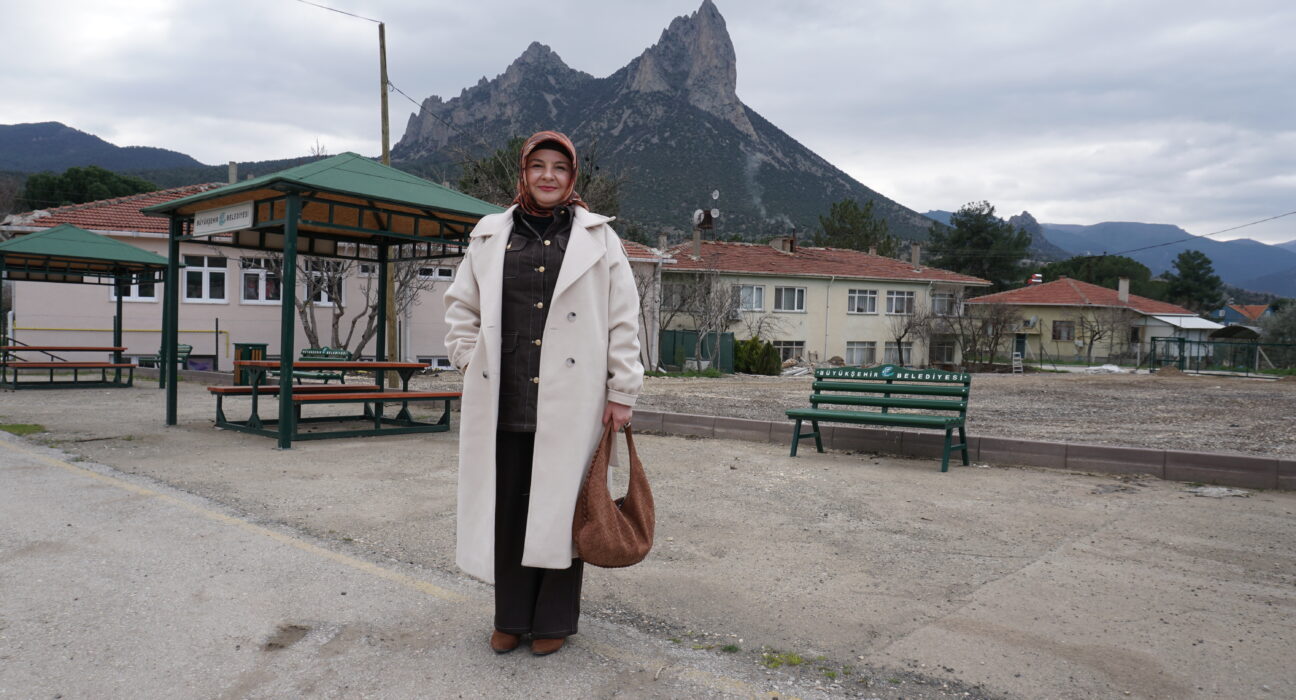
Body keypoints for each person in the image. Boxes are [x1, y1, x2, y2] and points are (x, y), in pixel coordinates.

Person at [443, 130, 643, 656]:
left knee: (563, 508)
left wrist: (622, 390)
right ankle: (510, 617)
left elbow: (624, 319)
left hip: (575, 398)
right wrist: (467, 358)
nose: (548, 176)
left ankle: (553, 621)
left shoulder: (600, 238)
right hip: (503, 395)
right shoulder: (490, 234)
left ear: (572, 176)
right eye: (538, 166)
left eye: (559, 167)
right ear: (524, 172)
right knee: (508, 507)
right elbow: (461, 305)